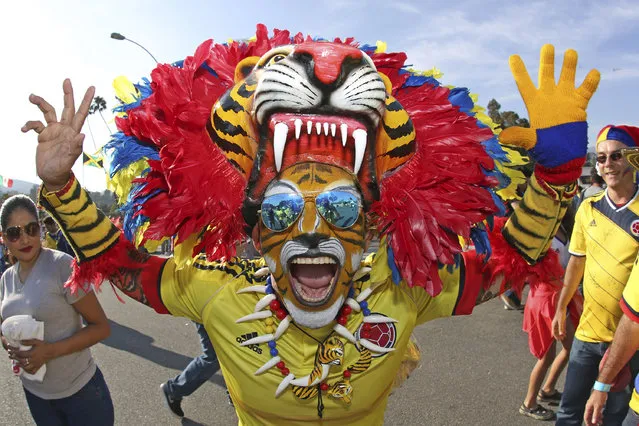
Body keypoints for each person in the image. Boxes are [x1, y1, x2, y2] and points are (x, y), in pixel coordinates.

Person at [24, 30, 599, 424]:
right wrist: (61, 189)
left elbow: (506, 265)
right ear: (258, 228)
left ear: (368, 222)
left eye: (342, 209)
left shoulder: (398, 291)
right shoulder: (219, 291)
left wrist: (555, 177)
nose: (312, 227)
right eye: (280, 209)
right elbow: (126, 268)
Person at [0, 195, 113, 425]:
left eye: (31, 228)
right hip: (36, 395)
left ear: (40, 228)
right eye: (14, 233)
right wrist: (10, 344)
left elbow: (101, 328)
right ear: (3, 238)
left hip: (82, 394)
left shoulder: (62, 265)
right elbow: (5, 327)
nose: (25, 239)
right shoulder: (5, 279)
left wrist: (49, 351)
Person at [552, 125, 639, 425]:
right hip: (586, 334)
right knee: (568, 412)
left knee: (610, 416)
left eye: (616, 156)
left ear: (633, 159)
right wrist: (561, 307)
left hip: (627, 342)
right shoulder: (588, 208)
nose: (607, 164)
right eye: (601, 158)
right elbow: (576, 263)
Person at [519, 206, 583, 421]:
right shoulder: (539, 236)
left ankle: (547, 389)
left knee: (568, 347)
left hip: (561, 296)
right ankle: (529, 403)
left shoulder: (564, 228)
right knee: (547, 355)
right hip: (546, 299)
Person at [160, 321, 228, 418]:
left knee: (231, 351)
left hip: (225, 311)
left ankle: (236, 394)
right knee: (213, 358)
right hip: (208, 312)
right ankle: (175, 389)